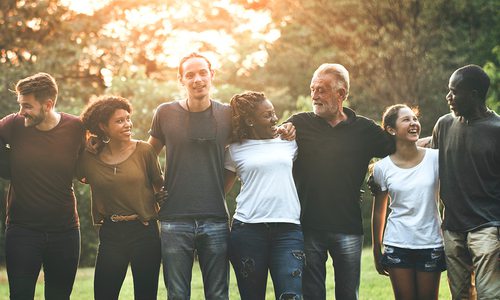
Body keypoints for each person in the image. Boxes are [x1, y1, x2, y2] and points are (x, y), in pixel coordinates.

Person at [286, 63, 394, 300]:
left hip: (349, 228)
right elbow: (272, 142)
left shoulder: (364, 129)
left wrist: (433, 143)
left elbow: (400, 150)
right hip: (308, 226)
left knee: (348, 295)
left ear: (342, 93)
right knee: (312, 294)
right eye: (312, 89)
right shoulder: (299, 124)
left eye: (322, 90)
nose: (314, 95)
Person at [148, 52, 232, 299]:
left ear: (212, 75)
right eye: (190, 75)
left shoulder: (228, 115)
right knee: (177, 294)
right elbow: (146, 155)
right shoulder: (165, 112)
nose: (197, 79)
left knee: (218, 294)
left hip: (215, 218)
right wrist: (156, 189)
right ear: (181, 80)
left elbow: (238, 159)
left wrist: (218, 190)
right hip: (174, 220)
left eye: (203, 73)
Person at [0, 72, 84, 299]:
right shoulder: (13, 125)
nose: (21, 111)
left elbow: (90, 161)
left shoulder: (76, 128)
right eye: (20, 104)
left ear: (48, 104)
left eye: (27, 106)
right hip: (22, 231)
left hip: (65, 232)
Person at [78, 96, 164, 300]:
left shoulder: (144, 150)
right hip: (111, 232)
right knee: (104, 295)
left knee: (146, 295)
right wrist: (87, 139)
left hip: (144, 230)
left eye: (128, 118)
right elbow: (67, 140)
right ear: (102, 126)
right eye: (119, 121)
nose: (128, 124)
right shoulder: (89, 157)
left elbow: (160, 186)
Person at [224, 91, 305, 300]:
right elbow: (220, 191)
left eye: (274, 113)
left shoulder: (289, 142)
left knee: (291, 296)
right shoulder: (234, 150)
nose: (275, 118)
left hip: (288, 231)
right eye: (267, 115)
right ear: (250, 120)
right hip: (248, 231)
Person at [431, 65, 500, 299]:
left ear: (474, 94)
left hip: (488, 227)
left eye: (454, 91)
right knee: (459, 295)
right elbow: (427, 160)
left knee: (490, 295)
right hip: (452, 227)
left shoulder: (497, 130)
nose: (448, 97)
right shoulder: (443, 125)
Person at [370, 104, 445, 300]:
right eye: (406, 120)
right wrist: (377, 251)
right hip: (397, 243)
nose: (414, 123)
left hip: (430, 242)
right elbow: (379, 211)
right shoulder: (381, 168)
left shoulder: (436, 159)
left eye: (415, 119)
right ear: (391, 129)